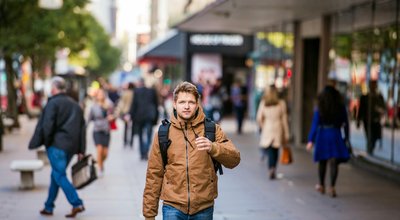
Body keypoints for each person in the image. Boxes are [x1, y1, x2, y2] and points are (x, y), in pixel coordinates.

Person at [143, 81, 241, 220]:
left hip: (203, 207)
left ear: (197, 104)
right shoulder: (163, 133)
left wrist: (213, 147)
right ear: (174, 104)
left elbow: (234, 159)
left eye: (191, 102)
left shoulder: (212, 129)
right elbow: (154, 174)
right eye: (182, 102)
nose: (187, 106)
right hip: (173, 206)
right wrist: (149, 214)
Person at [29, 76, 86, 218]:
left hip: (57, 145)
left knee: (59, 174)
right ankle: (48, 206)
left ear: (54, 88)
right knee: (55, 174)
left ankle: (76, 203)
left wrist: (47, 142)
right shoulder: (75, 104)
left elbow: (47, 126)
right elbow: (82, 128)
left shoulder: (53, 103)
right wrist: (81, 150)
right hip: (71, 147)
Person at [306, 80, 350, 198]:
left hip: (323, 135)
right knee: (334, 162)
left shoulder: (320, 106)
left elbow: (315, 124)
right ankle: (332, 187)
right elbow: (345, 123)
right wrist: (346, 138)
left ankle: (321, 185)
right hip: (335, 134)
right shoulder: (340, 106)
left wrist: (311, 140)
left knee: (322, 161)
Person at [256, 86, 290, 180]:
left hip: (267, 127)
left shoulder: (264, 103)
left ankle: (270, 168)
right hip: (278, 128)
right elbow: (284, 119)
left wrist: (263, 126)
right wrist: (287, 133)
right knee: (275, 149)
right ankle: (273, 168)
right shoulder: (281, 103)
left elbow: (259, 117)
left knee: (270, 149)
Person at [130, 78, 159, 160]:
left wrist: (132, 116)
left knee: (140, 135)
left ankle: (142, 153)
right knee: (149, 135)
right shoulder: (152, 91)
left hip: (139, 116)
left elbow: (133, 105)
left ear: (139, 83)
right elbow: (156, 105)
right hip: (149, 116)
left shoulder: (136, 91)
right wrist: (156, 117)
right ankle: (145, 150)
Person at [88, 89, 114, 176]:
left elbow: (114, 114)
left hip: (106, 130)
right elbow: (89, 118)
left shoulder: (109, 105)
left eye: (102, 94)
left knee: (105, 153)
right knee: (99, 149)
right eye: (99, 94)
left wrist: (112, 117)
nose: (101, 96)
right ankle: (99, 168)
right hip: (97, 130)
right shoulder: (93, 106)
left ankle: (100, 163)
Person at [356, 80, 385, 155]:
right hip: (367, 120)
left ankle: (371, 149)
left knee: (375, 137)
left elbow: (383, 108)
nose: (373, 87)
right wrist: (358, 120)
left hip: (376, 121)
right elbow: (361, 109)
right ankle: (369, 150)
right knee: (369, 136)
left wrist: (379, 110)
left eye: (374, 85)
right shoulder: (365, 97)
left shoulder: (379, 97)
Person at [114, 82, 135, 148]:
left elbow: (122, 102)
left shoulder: (125, 93)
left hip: (125, 111)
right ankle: (131, 142)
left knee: (126, 127)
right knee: (132, 127)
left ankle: (125, 141)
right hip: (132, 112)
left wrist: (119, 111)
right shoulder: (134, 93)